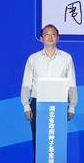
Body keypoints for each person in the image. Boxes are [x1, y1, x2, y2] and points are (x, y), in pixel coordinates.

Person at [20, 24, 77, 153]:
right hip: (38, 103)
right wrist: (26, 106)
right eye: (46, 35)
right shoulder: (33, 59)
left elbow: (71, 83)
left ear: (58, 38)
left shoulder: (66, 58)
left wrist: (72, 106)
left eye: (53, 34)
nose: (50, 37)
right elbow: (27, 84)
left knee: (57, 143)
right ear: (41, 38)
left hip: (59, 103)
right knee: (39, 142)